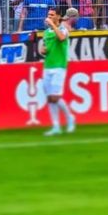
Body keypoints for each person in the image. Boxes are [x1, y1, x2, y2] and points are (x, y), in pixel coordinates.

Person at [39, 8, 77, 136]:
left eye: (52, 15)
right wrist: (42, 50)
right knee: (50, 98)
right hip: (48, 66)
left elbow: (61, 38)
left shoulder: (63, 29)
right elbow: (44, 49)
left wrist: (52, 25)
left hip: (59, 66)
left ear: (58, 17)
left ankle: (70, 118)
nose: (49, 17)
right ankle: (56, 126)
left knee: (55, 97)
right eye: (48, 15)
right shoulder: (46, 33)